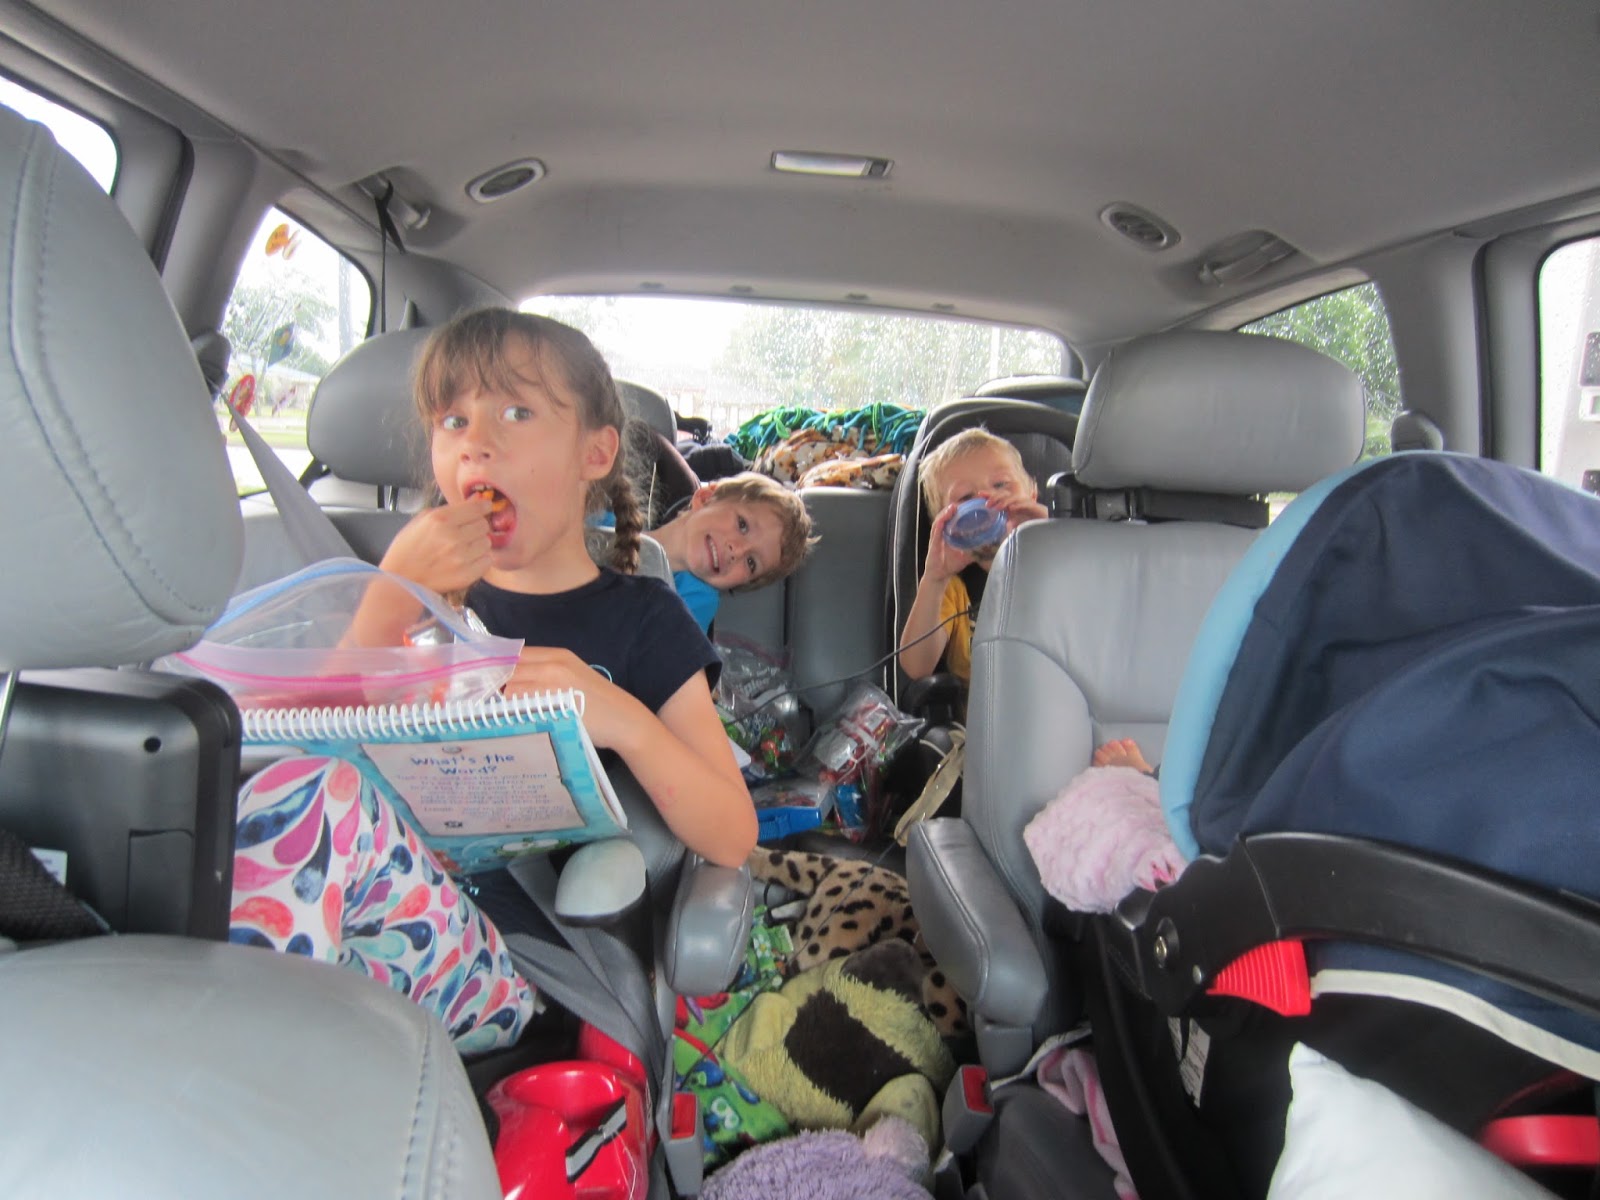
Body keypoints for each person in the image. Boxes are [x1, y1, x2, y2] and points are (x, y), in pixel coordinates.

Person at [230, 308, 758, 1052]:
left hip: (526, 967)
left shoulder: (644, 618)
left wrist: (618, 716)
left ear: (595, 452)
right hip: (354, 913)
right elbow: (285, 750)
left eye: (517, 412)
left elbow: (732, 835)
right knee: (281, 795)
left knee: (319, 807)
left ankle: (235, 1066)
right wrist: (389, 599)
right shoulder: (411, 599)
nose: (476, 442)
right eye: (453, 421)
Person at [897, 428, 1048, 683]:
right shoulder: (953, 590)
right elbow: (916, 668)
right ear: (946, 523)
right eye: (966, 498)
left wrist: (1051, 536)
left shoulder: (1057, 564)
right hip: (984, 705)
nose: (987, 501)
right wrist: (935, 579)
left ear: (1031, 494)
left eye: (1001, 485)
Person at [649, 472, 816, 632]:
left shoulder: (694, 601)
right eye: (742, 525)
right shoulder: (634, 512)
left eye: (751, 562)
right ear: (706, 498)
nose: (738, 550)